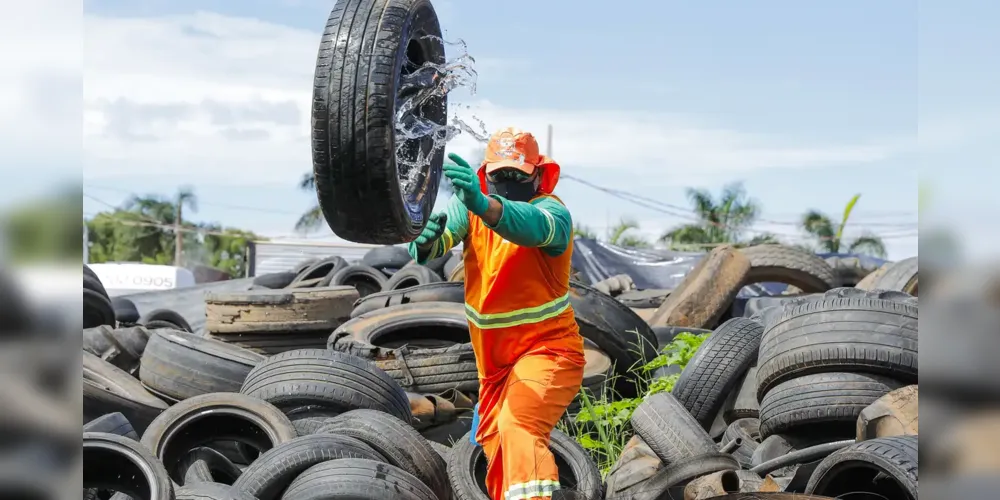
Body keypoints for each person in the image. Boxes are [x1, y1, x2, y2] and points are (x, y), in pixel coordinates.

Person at [408, 127, 585, 500]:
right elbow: (442, 236)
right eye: (499, 174)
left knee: (518, 425)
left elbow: (530, 227)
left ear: (538, 174)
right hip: (493, 367)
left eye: (517, 174)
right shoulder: (470, 208)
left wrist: (485, 205)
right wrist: (425, 245)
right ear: (485, 172)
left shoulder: (552, 213)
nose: (507, 180)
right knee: (495, 446)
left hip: (547, 351)